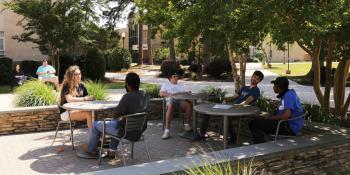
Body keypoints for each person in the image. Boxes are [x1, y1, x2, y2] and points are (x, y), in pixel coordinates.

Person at [85, 72, 149, 157]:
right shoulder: (145, 95)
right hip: (138, 131)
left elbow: (115, 115)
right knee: (117, 123)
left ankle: (91, 150)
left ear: (128, 84)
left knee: (96, 124)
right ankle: (112, 151)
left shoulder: (127, 96)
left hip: (124, 132)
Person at [194, 70, 265, 143]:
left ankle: (233, 138)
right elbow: (234, 97)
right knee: (207, 112)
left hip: (241, 111)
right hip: (231, 107)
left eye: (257, 78)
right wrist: (226, 99)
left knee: (227, 118)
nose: (254, 79)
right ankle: (201, 134)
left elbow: (246, 103)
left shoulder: (256, 91)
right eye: (253, 76)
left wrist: (235, 106)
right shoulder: (245, 88)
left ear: (259, 81)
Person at [249, 76, 303, 144]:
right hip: (288, 124)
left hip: (289, 127)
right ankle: (261, 140)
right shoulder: (288, 93)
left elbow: (286, 116)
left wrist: (270, 118)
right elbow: (285, 109)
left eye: (274, 85)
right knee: (257, 118)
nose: (273, 87)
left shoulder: (288, 96)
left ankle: (260, 144)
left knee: (254, 123)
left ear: (278, 87)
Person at [160, 70, 193, 139]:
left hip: (181, 100)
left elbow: (188, 92)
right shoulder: (166, 84)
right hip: (171, 100)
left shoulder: (181, 85)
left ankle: (186, 125)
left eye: (177, 76)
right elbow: (161, 93)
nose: (177, 77)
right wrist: (171, 94)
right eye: (175, 76)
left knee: (189, 104)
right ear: (171, 77)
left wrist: (187, 93)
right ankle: (167, 131)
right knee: (170, 105)